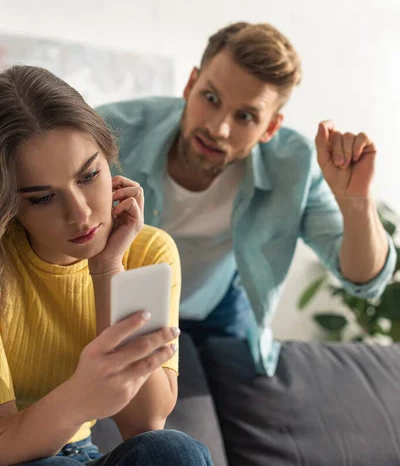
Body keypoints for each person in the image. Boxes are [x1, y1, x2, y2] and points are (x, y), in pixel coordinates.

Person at [97, 21, 396, 375]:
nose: (218, 128)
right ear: (190, 84)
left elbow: (364, 281)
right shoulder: (109, 133)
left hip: (217, 312)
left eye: (245, 116)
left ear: (270, 128)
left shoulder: (295, 167)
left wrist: (357, 201)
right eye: (211, 98)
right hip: (117, 300)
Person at [0, 65, 216, 466]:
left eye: (88, 176)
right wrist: (81, 396)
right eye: (42, 197)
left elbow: (144, 421)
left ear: (108, 157)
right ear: (10, 203)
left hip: (79, 464)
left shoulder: (148, 251)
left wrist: (107, 268)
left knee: (175, 455)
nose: (80, 214)